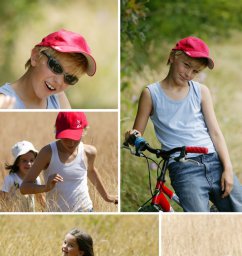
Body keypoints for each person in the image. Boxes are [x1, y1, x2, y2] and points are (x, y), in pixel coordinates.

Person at [125, 36, 242, 212]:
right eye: (186, 65)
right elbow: (137, 132)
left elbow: (216, 133)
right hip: (183, 167)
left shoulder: (201, 91)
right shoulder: (151, 94)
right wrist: (131, 136)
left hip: (213, 160)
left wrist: (228, 168)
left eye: (195, 71)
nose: (188, 74)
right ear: (173, 57)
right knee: (197, 218)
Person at [20, 111, 118, 212]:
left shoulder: (89, 152)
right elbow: (24, 188)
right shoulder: (47, 152)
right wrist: (45, 187)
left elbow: (91, 171)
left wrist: (107, 196)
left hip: (86, 210)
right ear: (57, 131)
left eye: (75, 137)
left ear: (84, 131)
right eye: (66, 138)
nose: (71, 143)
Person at [0, 29, 96, 109]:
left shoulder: (58, 98)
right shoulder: (4, 103)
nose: (59, 81)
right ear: (36, 56)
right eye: (56, 67)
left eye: (70, 78)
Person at [0, 140, 43, 211]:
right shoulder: (10, 179)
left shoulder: (36, 179)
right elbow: (2, 199)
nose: (29, 164)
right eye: (24, 160)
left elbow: (40, 199)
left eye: (32, 160)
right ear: (17, 163)